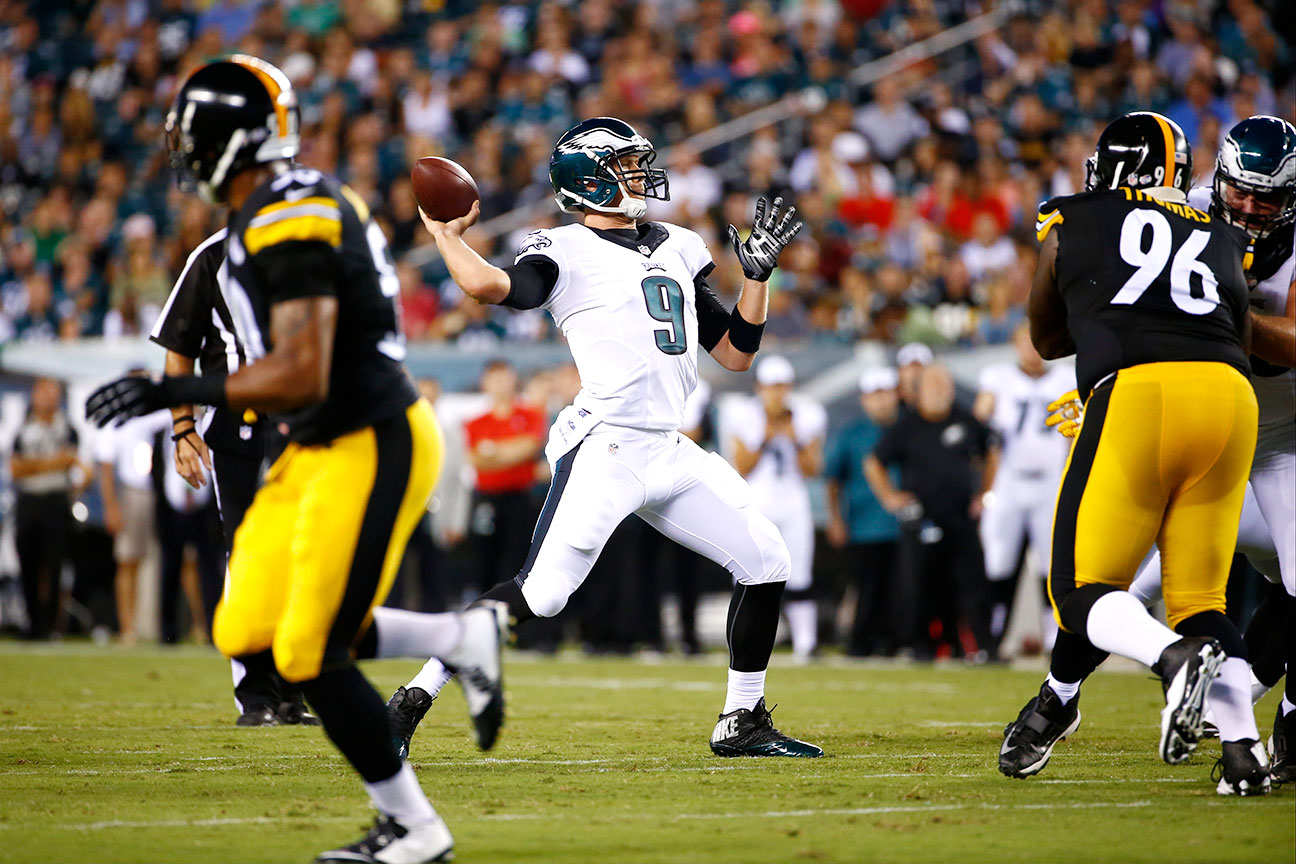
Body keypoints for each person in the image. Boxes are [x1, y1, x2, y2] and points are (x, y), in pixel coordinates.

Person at [86, 56, 506, 863]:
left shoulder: (291, 214)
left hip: (367, 435)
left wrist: (168, 397)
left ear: (226, 140)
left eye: (190, 134)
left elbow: (302, 369)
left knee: (311, 650)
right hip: (314, 441)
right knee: (249, 625)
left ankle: (415, 830)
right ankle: (458, 637)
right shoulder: (269, 211)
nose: (180, 149)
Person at [388, 116, 820, 760]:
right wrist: (444, 236)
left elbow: (733, 354)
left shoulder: (678, 243)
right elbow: (486, 286)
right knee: (543, 593)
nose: (640, 175)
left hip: (668, 447)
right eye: (625, 164)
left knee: (767, 560)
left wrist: (756, 278)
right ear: (590, 181)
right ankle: (411, 699)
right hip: (607, 446)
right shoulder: (562, 248)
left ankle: (742, 719)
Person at [1001, 114, 1295, 790]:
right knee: (1200, 598)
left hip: (1172, 406)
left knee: (1084, 587)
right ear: (1197, 178)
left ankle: (1173, 662)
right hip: (1232, 407)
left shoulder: (1073, 217)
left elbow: (1048, 338)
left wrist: (1104, 359)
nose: (1249, 208)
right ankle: (1242, 749)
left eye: (1268, 197)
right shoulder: (1216, 234)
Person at [150, 226, 317, 725]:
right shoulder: (213, 255)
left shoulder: (315, 239)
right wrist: (182, 427)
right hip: (237, 423)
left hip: (304, 420)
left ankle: (294, 689)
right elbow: (179, 345)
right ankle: (256, 692)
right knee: (246, 553)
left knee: (303, 553)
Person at [864, 363, 997, 660]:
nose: (939, 390)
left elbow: (992, 450)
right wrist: (889, 496)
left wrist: (985, 493)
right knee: (918, 584)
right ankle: (920, 645)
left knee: (972, 584)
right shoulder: (906, 425)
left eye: (943, 384)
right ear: (918, 390)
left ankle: (983, 646)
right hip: (921, 519)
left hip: (961, 518)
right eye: (933, 385)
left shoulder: (966, 420)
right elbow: (873, 462)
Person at [972, 322, 1074, 656]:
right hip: (1009, 480)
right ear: (1015, 345)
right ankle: (992, 635)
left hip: (1050, 480)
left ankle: (1051, 637)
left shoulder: (1065, 379)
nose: (1031, 349)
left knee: (1051, 563)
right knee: (998, 561)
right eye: (1025, 342)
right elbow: (980, 418)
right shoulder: (998, 378)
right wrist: (984, 411)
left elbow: (1075, 435)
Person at [728, 355, 826, 659]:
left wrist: (796, 439)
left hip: (793, 499)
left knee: (799, 572)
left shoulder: (807, 415)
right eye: (771, 386)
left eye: (782, 386)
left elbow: (813, 469)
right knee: (748, 572)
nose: (776, 393)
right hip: (757, 500)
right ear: (760, 387)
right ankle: (743, 643)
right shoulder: (743, 414)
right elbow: (742, 465)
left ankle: (806, 644)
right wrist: (766, 436)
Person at [824, 368, 901, 656]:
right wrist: (836, 519)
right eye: (875, 394)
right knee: (866, 588)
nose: (881, 400)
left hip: (904, 524)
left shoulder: (908, 426)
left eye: (886, 392)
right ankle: (861, 640)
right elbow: (833, 480)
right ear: (864, 399)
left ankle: (895, 640)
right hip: (864, 524)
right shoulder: (853, 434)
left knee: (900, 589)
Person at [463, 359, 546, 594]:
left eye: (504, 377)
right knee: (483, 558)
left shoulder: (530, 415)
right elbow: (475, 459)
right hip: (486, 498)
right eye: (494, 378)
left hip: (519, 497)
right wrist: (509, 452)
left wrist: (493, 452)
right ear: (484, 383)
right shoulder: (476, 422)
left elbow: (528, 447)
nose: (500, 384)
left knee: (517, 558)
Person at [9, 377, 81, 639]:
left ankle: (51, 625)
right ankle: (32, 622)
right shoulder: (24, 429)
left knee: (54, 564)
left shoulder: (67, 428)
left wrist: (34, 465)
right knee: (27, 562)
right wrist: (53, 463)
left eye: (52, 393)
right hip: (29, 500)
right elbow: (16, 469)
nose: (48, 398)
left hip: (55, 500)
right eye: (43, 392)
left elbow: (72, 462)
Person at [95, 400, 169, 645]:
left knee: (149, 560)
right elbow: (105, 466)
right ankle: (127, 626)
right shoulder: (117, 421)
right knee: (127, 560)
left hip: (157, 493)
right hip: (131, 492)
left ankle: (143, 625)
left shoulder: (151, 416)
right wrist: (111, 506)